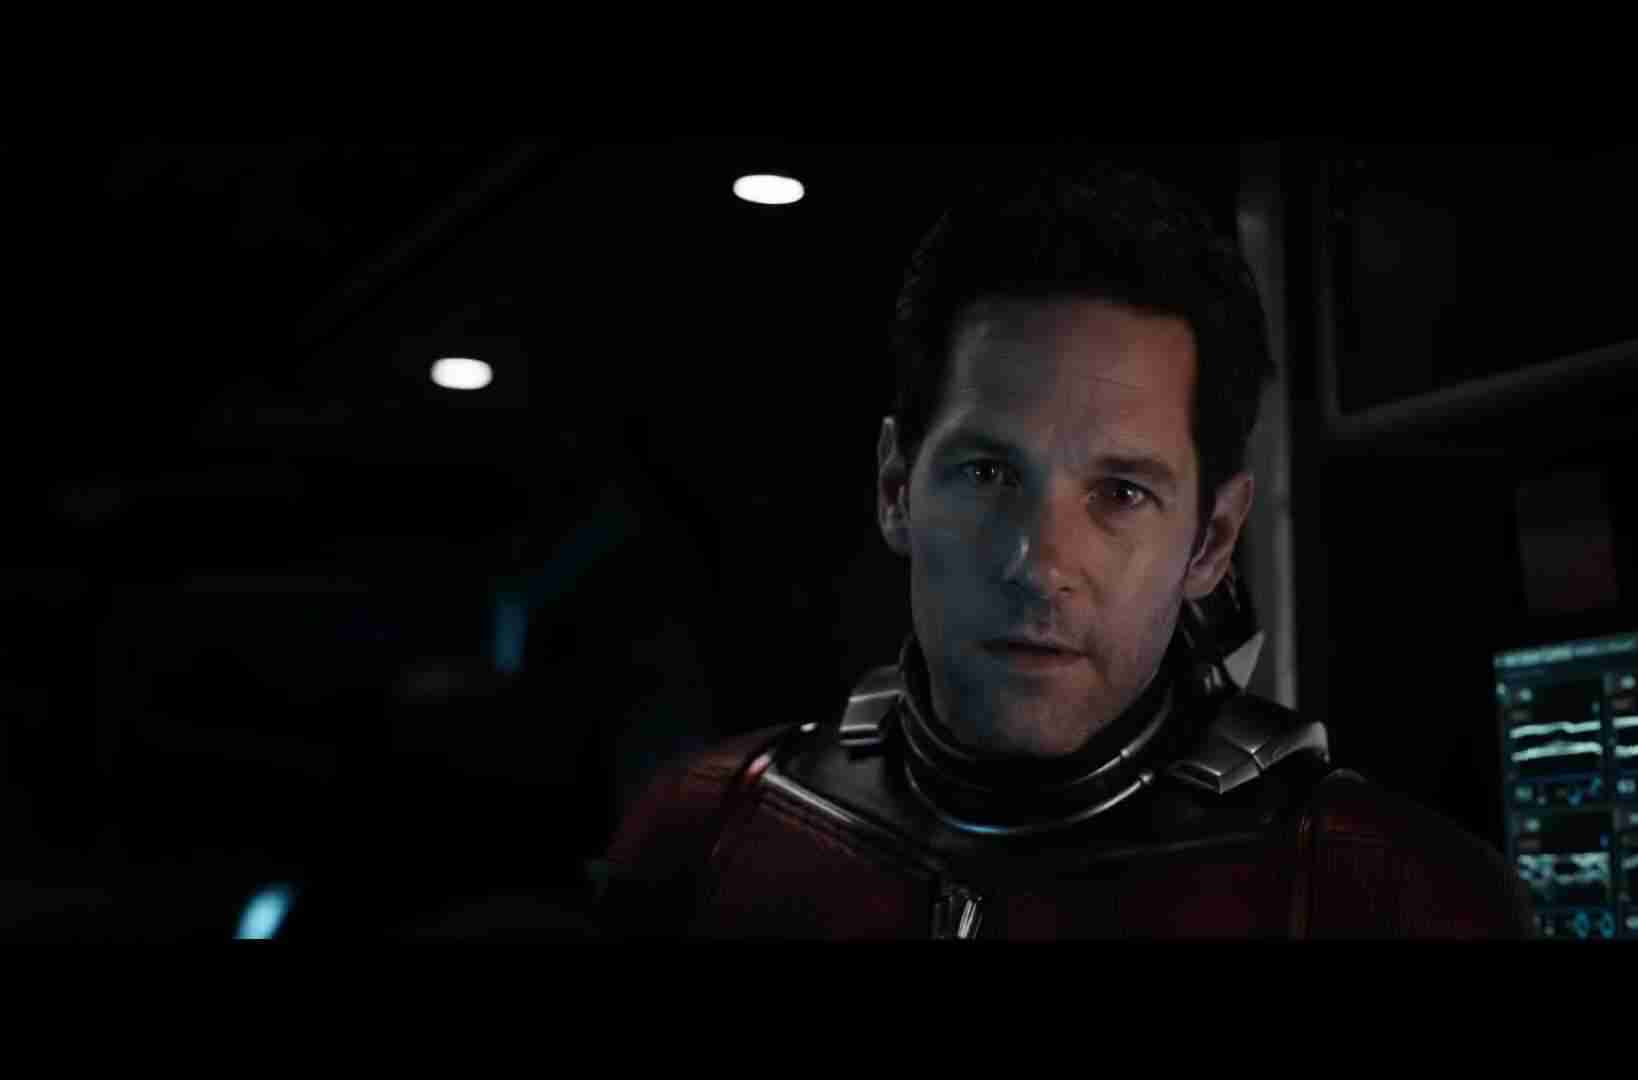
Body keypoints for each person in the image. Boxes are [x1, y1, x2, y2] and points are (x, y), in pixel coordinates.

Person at [593, 161, 1537, 939]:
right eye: (987, 474)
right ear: (895, 490)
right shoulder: (706, 835)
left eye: (1121, 493)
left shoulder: (1383, 898)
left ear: (1211, 540)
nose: (1039, 566)